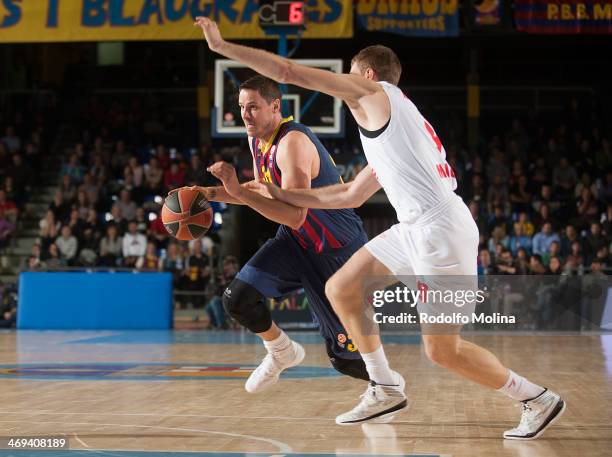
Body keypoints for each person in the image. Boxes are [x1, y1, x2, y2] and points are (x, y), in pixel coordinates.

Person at [193, 17, 566, 438]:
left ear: (367, 75)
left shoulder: (373, 93)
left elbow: (288, 72)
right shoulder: (396, 128)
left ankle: (535, 397)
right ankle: (385, 386)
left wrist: (222, 46)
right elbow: (347, 195)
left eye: (349, 77)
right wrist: (266, 193)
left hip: (441, 232)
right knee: (341, 288)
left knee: (443, 351)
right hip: (414, 226)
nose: (344, 86)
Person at [172, 74, 370, 392]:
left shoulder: (292, 143)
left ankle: (392, 390)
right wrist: (207, 194)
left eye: (253, 107)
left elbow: (295, 214)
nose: (245, 114)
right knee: (237, 299)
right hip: (295, 243)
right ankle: (281, 351)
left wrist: (236, 190)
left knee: (345, 358)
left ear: (275, 106)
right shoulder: (257, 140)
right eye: (241, 107)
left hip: (336, 250)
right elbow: (261, 192)